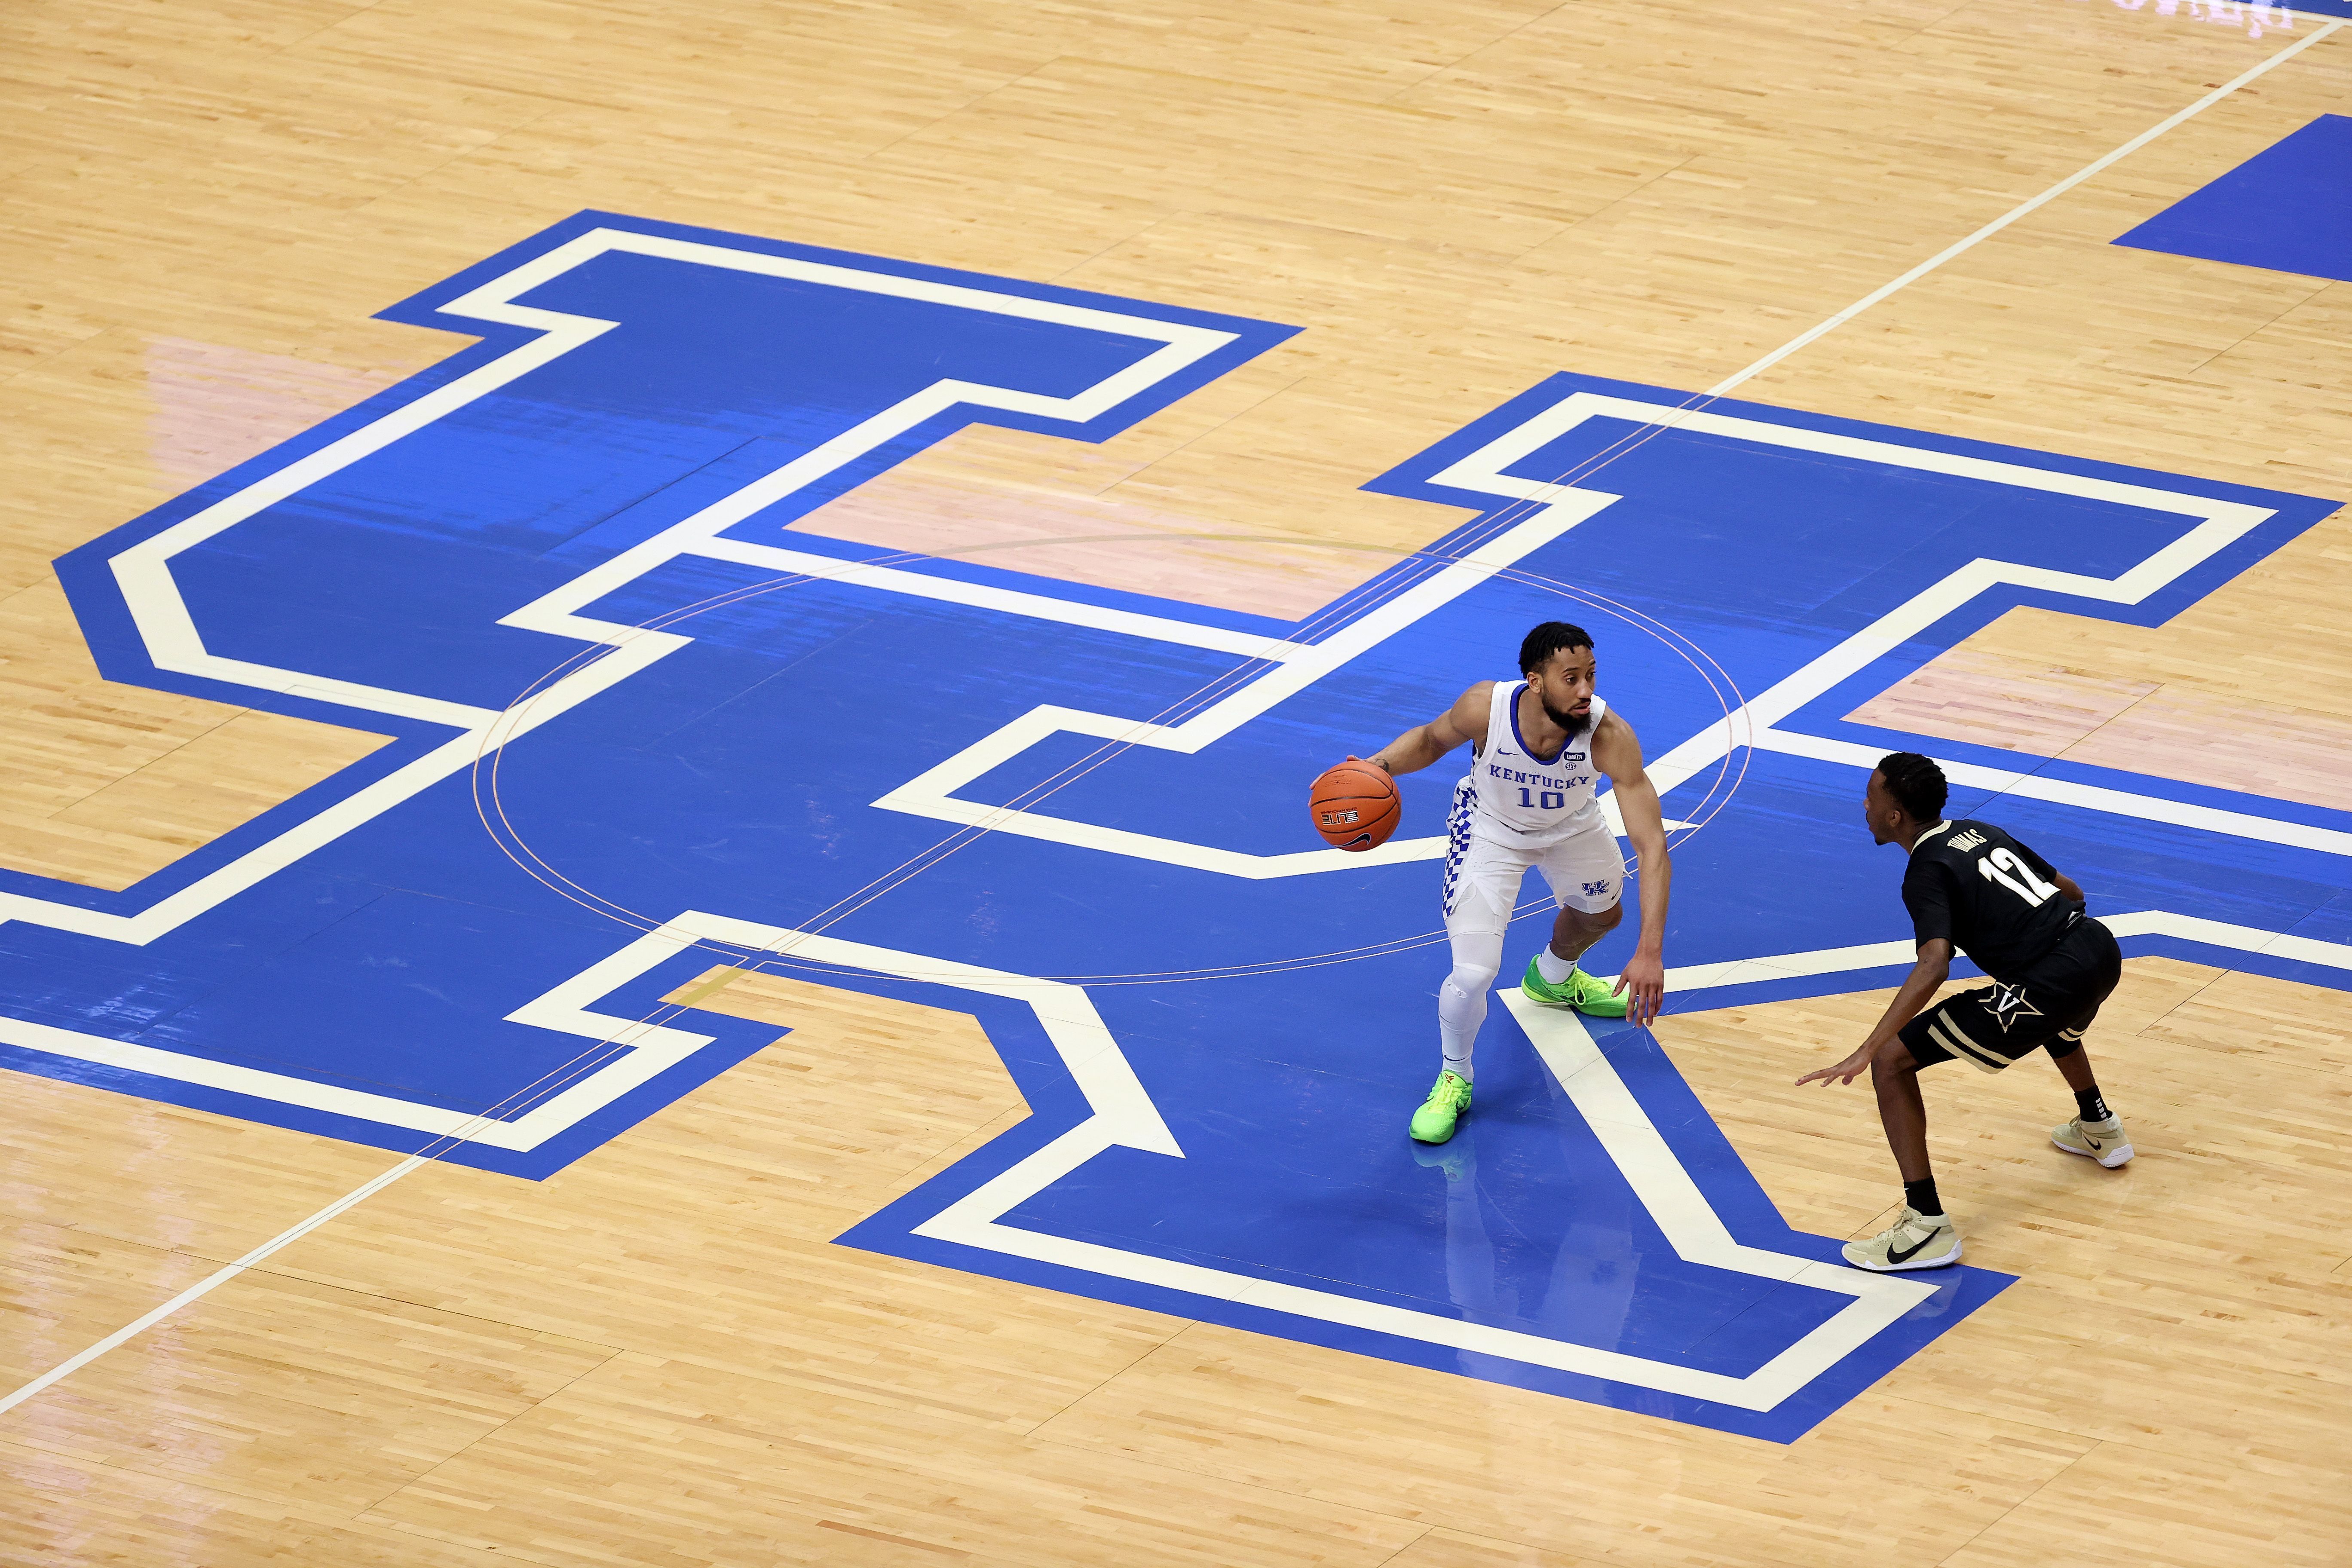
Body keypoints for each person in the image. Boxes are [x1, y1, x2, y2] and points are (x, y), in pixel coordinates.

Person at [1800, 752, 2132, 1272]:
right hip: (2099, 950)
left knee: (1892, 1061)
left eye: (1873, 796)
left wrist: (1865, 1049)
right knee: (2054, 1018)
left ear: (1895, 816)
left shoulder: (1925, 870)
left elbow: (1935, 964)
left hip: (2049, 979)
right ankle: (2099, 1124)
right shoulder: (1979, 830)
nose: (1865, 803)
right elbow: (2071, 891)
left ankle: (1926, 1225)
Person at [1357, 622, 1671, 1145]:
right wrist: (1380, 766)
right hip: (1489, 832)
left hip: (1572, 829)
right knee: (1473, 973)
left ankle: (1552, 977)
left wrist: (1650, 950)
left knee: (1604, 913)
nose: (1586, 691)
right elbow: (1433, 739)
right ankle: (1455, 1076)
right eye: (1570, 678)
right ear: (1535, 681)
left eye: (1591, 676)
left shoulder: (1609, 735)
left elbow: (1653, 847)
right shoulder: (1486, 708)